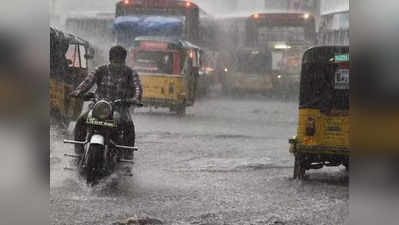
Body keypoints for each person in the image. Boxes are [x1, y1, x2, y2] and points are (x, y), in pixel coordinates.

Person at [70, 46, 142, 160]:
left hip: (120, 109)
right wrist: (77, 92)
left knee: (129, 127)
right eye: (115, 59)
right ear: (110, 58)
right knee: (81, 121)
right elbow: (87, 82)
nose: (117, 63)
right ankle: (78, 153)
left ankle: (127, 158)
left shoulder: (130, 73)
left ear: (124, 60)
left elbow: (137, 87)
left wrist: (136, 98)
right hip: (98, 107)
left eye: (120, 60)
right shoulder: (100, 70)